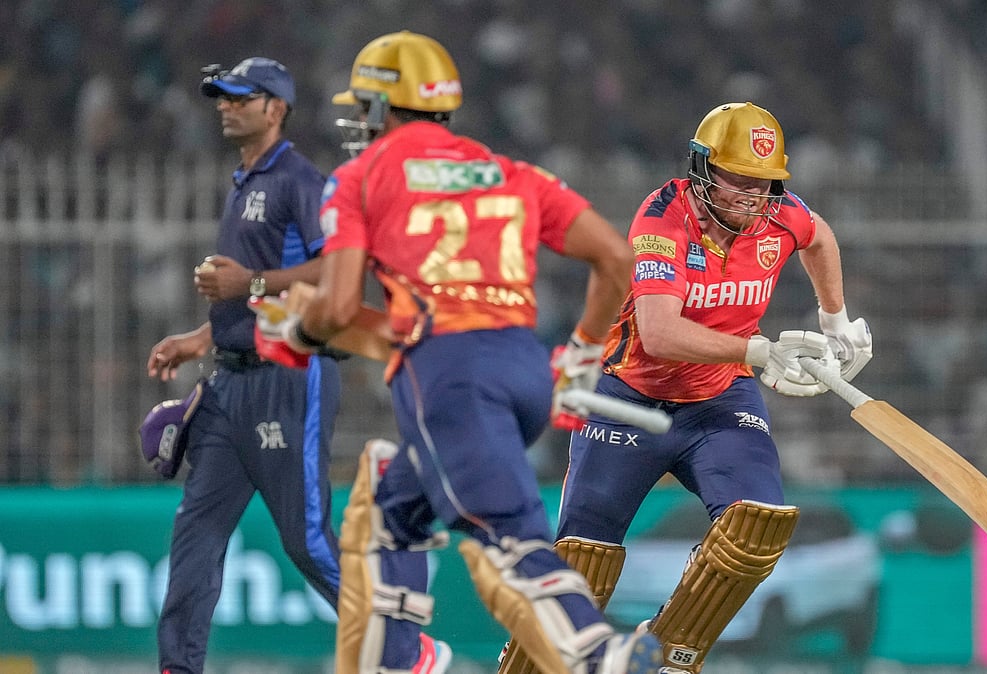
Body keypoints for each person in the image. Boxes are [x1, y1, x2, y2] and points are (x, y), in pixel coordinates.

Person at [252, 31, 662, 674]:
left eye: (364, 108)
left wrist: (296, 335)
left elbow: (334, 308)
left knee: (505, 533)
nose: (360, 123)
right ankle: (398, 660)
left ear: (384, 109)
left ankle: (597, 655)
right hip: (522, 368)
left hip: (450, 379)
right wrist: (582, 352)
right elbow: (616, 257)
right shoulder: (511, 171)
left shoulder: (359, 178)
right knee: (389, 514)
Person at [519, 102, 875, 674]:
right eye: (736, 179)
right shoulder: (662, 217)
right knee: (580, 561)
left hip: (719, 400)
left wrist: (836, 320)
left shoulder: (780, 212)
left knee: (757, 523)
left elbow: (820, 237)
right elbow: (659, 333)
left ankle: (666, 653)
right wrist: (757, 350)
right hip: (630, 400)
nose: (748, 196)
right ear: (703, 168)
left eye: (762, 184)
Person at [144, 57, 341, 674]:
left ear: (275, 108)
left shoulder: (298, 180)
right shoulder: (245, 182)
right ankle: (179, 668)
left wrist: (250, 281)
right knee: (195, 536)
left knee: (307, 543)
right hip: (231, 380)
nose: (225, 105)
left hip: (288, 379)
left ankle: (403, 645)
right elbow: (252, 298)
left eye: (239, 96)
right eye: (221, 96)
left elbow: (334, 272)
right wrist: (203, 336)